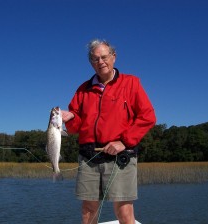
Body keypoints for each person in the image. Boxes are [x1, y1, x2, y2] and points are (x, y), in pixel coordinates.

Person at [61, 39, 156, 224]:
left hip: (120, 156)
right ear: (91, 62)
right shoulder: (82, 90)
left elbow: (148, 117)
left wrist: (124, 142)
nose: (100, 62)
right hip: (88, 157)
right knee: (88, 210)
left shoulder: (131, 83)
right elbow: (75, 128)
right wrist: (71, 118)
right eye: (95, 59)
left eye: (104, 57)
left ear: (114, 57)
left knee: (124, 211)